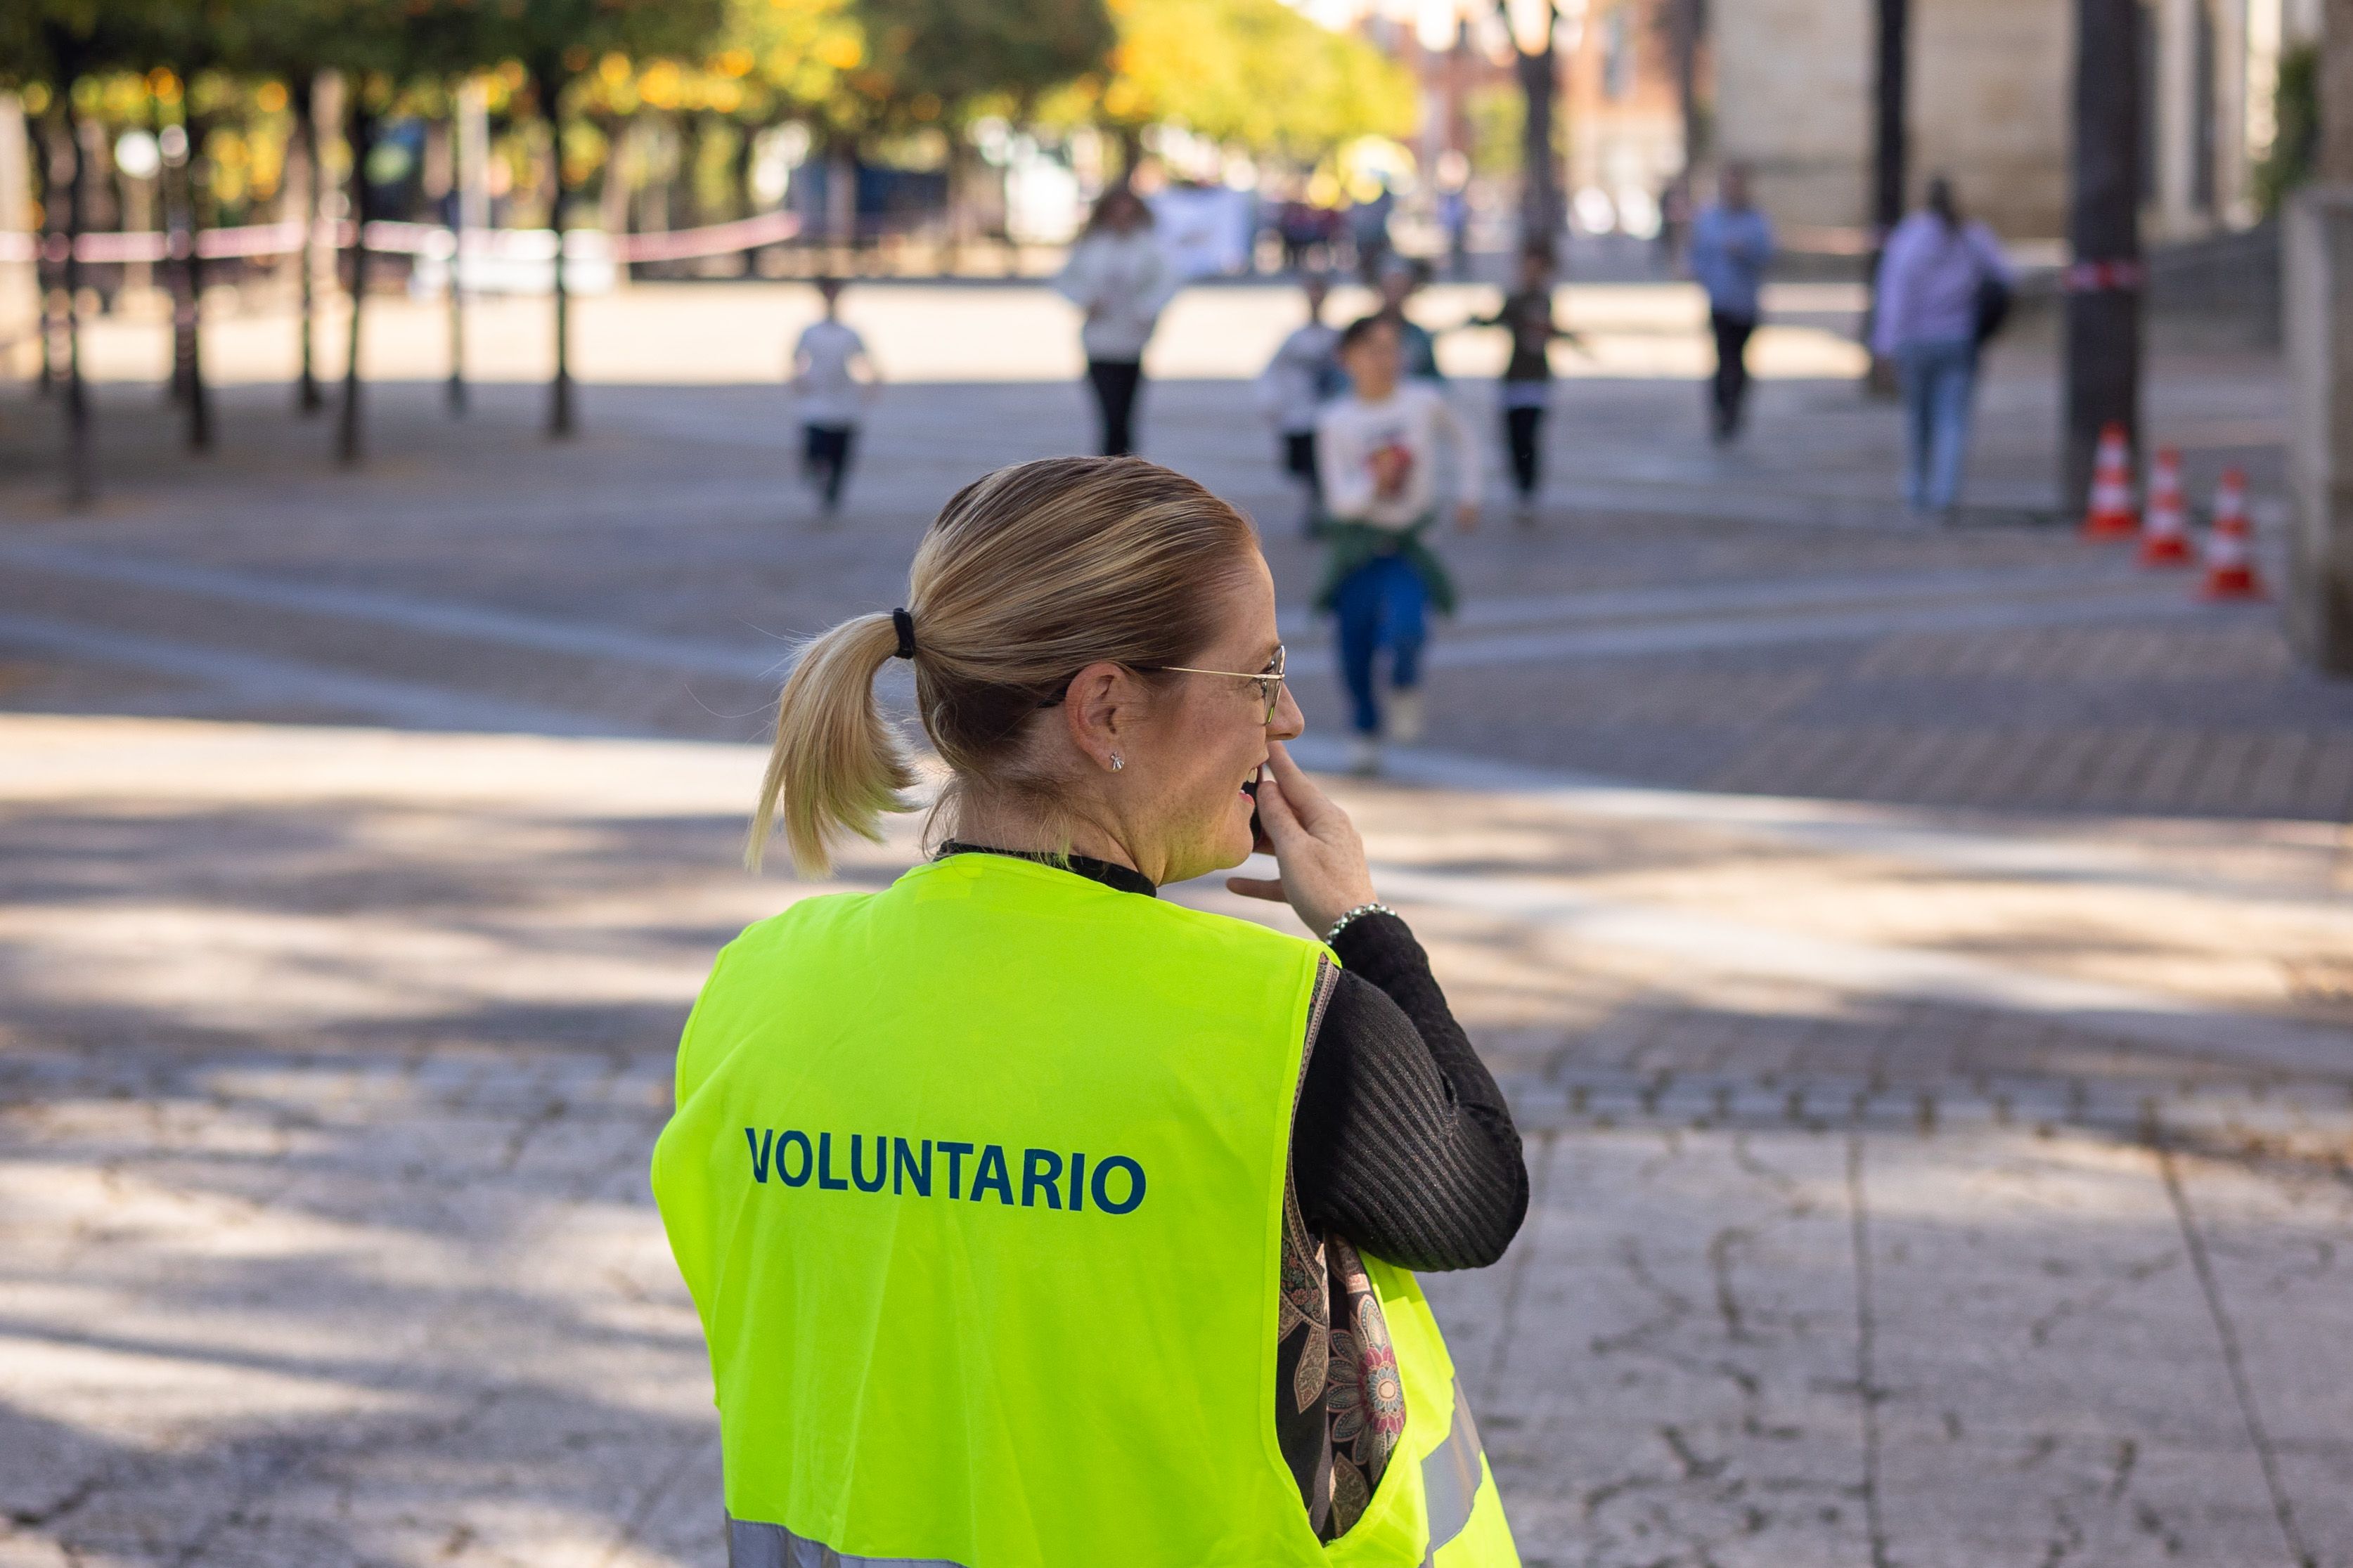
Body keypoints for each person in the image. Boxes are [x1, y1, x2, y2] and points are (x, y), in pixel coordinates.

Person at [651, 455, 1528, 1567]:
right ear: (1104, 706)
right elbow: (1478, 1198)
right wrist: (1362, 925)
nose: (1290, 718)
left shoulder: (758, 987)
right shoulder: (1280, 1024)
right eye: (1258, 677)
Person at [1316, 316, 1481, 775]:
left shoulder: (1423, 401)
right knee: (1354, 646)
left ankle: (1406, 683)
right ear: (1347, 360)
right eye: (1371, 350)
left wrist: (1469, 495)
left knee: (1408, 627)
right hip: (1357, 549)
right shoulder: (1336, 421)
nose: (1383, 360)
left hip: (1409, 546)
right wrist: (1375, 480)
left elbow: (1465, 440)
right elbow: (1339, 500)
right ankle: (1364, 729)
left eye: (1391, 349)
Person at [1872, 174, 2013, 515]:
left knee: (1918, 420)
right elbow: (2007, 275)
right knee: (1952, 421)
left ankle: (1917, 488)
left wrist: (1885, 346)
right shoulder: (1972, 236)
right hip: (1957, 339)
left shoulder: (1911, 237)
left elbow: (1894, 295)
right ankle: (1945, 492)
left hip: (1915, 342)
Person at [1055, 187, 1176, 456]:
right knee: (1107, 412)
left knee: (1124, 413)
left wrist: (1146, 309)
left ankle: (1124, 466)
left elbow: (1167, 284)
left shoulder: (1148, 246)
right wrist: (1086, 300)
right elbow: (1065, 280)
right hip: (1099, 339)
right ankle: (1109, 464)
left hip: (1131, 339)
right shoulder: (1092, 245)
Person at [1465, 244, 1580, 524]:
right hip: (1514, 380)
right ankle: (1521, 490)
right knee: (1514, 437)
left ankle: (1528, 491)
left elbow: (1548, 330)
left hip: (1536, 381)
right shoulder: (1515, 300)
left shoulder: (1543, 301)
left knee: (1529, 437)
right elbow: (1498, 320)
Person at [1686, 164, 1774, 443]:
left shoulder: (1756, 220)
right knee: (1723, 358)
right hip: (1720, 300)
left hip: (1745, 301)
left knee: (1739, 360)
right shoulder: (1709, 219)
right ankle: (1721, 412)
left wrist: (1745, 251)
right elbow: (1697, 255)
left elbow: (1768, 254)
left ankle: (1736, 407)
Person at [1256, 272, 1342, 533]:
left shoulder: (1336, 338)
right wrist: (1272, 403)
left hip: (1327, 415)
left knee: (1323, 466)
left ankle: (1321, 510)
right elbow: (1272, 372)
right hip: (1299, 415)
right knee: (1303, 467)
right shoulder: (1294, 339)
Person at [791, 277, 879, 522]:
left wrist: (871, 385)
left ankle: (831, 494)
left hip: (844, 403)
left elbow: (866, 361)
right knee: (816, 447)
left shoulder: (850, 333)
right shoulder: (810, 332)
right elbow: (797, 359)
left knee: (841, 454)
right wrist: (799, 380)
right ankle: (818, 477)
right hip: (818, 402)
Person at [1374, 256, 1445, 384]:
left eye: (1400, 286)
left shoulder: (1419, 337)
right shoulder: (1363, 333)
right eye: (1390, 285)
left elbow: (1432, 381)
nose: (1395, 291)